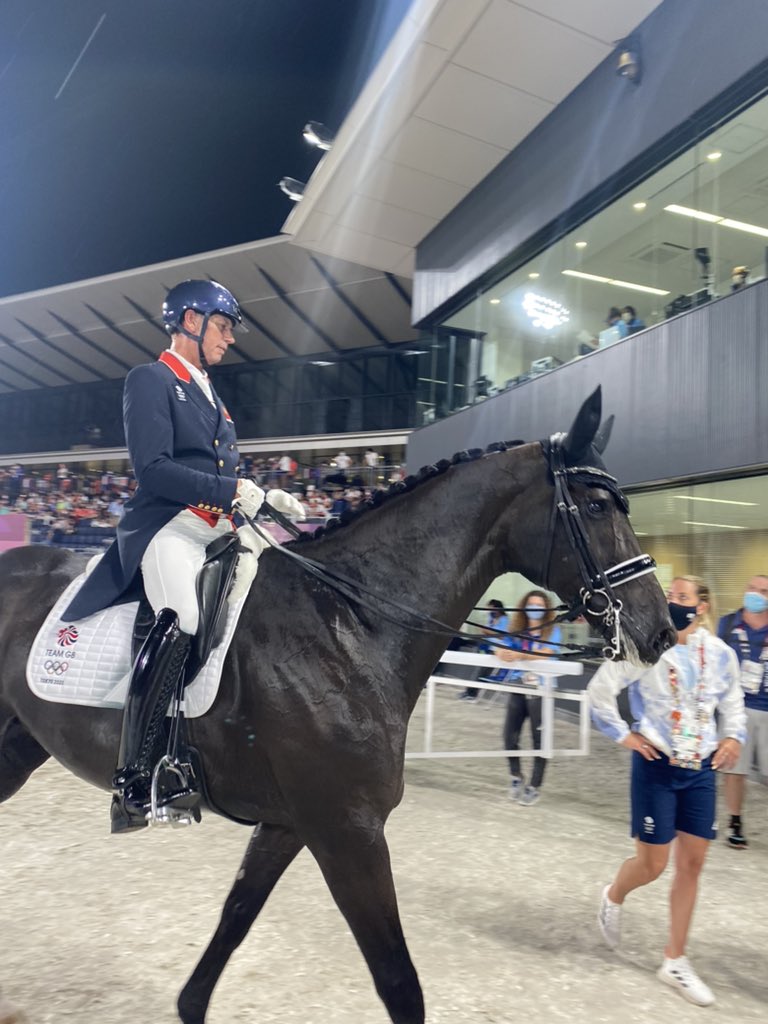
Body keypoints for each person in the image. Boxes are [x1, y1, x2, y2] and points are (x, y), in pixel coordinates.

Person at [61, 279, 303, 834]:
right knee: (183, 618)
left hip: (217, 528)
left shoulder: (211, 395)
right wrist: (232, 491)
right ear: (190, 320)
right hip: (170, 526)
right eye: (223, 327)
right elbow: (155, 470)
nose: (229, 340)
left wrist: (261, 497)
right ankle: (134, 778)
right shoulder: (151, 380)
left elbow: (219, 473)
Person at [588, 575, 745, 1007]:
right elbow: (599, 694)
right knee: (652, 864)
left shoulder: (722, 655)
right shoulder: (646, 646)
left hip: (701, 770)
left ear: (703, 607)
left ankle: (675, 959)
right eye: (669, 595)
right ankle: (613, 895)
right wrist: (626, 736)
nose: (672, 601)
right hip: (656, 766)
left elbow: (732, 701)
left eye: (680, 596)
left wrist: (733, 737)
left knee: (691, 865)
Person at [495, 591, 562, 805]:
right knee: (509, 735)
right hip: (518, 686)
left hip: (541, 690)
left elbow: (546, 653)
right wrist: (501, 653)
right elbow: (501, 646)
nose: (535, 607)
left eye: (539, 604)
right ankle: (516, 776)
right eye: (531, 604)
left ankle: (534, 785)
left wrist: (520, 655)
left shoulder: (553, 631)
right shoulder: (517, 629)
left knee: (539, 739)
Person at [718, 573, 768, 849]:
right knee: (734, 770)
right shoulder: (727, 624)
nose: (756, 594)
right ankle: (735, 821)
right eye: (752, 588)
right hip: (736, 708)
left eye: (763, 591)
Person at [459, 599, 510, 701]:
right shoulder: (491, 619)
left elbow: (502, 636)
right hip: (487, 647)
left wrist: (487, 631)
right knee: (478, 671)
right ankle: (469, 691)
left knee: (482, 672)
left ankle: (472, 694)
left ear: (497, 608)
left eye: (490, 608)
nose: (489, 611)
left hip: (497, 650)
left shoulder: (505, 620)